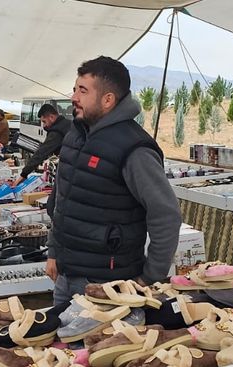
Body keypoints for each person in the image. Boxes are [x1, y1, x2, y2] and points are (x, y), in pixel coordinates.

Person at [45, 56, 181, 306]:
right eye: (75, 89)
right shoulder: (76, 134)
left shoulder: (134, 148)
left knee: (99, 345)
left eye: (83, 91)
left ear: (108, 100)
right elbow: (63, 200)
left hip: (108, 285)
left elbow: (166, 215)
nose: (74, 97)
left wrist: (149, 278)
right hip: (65, 275)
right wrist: (54, 252)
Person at [12, 104, 71, 186]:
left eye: (44, 121)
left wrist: (23, 174)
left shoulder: (57, 132)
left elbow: (41, 153)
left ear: (52, 117)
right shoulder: (68, 124)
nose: (44, 125)